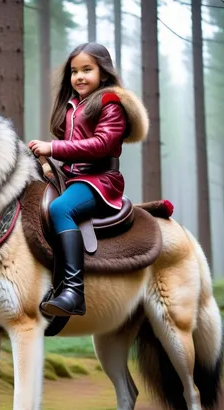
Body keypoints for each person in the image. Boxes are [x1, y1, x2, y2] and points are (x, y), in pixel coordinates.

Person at [28, 42, 131, 318]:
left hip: (100, 181)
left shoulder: (110, 103)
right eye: (74, 71)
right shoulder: (73, 105)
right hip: (74, 177)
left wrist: (54, 148)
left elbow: (101, 144)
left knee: (61, 209)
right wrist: (49, 164)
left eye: (87, 69)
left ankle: (73, 291)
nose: (79, 77)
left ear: (104, 73)